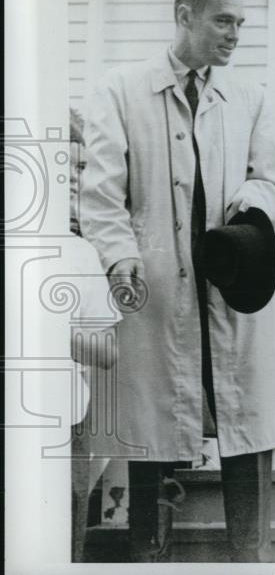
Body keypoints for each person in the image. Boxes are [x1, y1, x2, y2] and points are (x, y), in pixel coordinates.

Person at [81, 0, 275, 561]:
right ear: (185, 15)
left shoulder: (249, 97)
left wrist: (245, 218)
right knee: (156, 427)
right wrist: (120, 255)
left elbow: (274, 181)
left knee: (243, 418)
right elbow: (101, 192)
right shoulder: (120, 90)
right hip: (154, 280)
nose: (234, 35)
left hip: (230, 279)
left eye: (241, 24)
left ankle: (251, 557)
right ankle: (153, 556)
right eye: (223, 20)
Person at [68, 107, 121, 562]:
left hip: (64, 422)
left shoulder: (80, 253)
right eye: (58, 165)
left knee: (63, 540)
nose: (71, 178)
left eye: (80, 168)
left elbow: (105, 350)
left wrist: (47, 335)